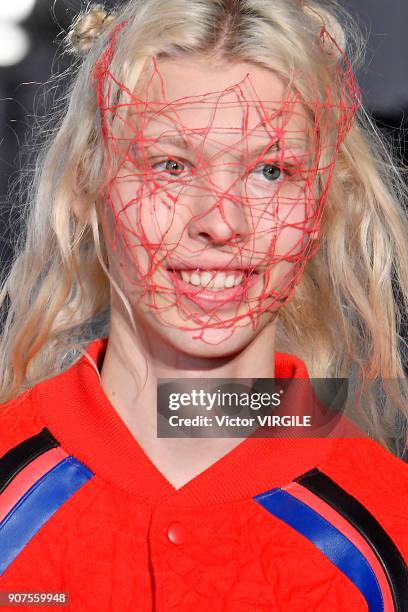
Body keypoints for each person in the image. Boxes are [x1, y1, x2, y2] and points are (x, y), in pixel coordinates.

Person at [0, 0, 407, 609]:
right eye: (171, 165)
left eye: (271, 171)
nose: (222, 221)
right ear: (87, 186)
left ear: (323, 206)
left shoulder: (389, 529)